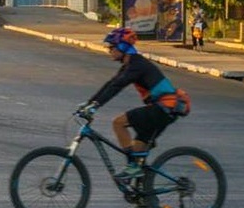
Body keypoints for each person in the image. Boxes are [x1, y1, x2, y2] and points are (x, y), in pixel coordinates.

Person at [77, 27, 187, 182]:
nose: (109, 50)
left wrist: (95, 107)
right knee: (137, 151)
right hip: (163, 110)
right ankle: (142, 197)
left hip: (164, 108)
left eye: (112, 47)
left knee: (118, 123)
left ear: (122, 47)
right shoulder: (130, 65)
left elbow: (117, 86)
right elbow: (111, 83)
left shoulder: (137, 65)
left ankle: (133, 167)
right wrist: (89, 103)